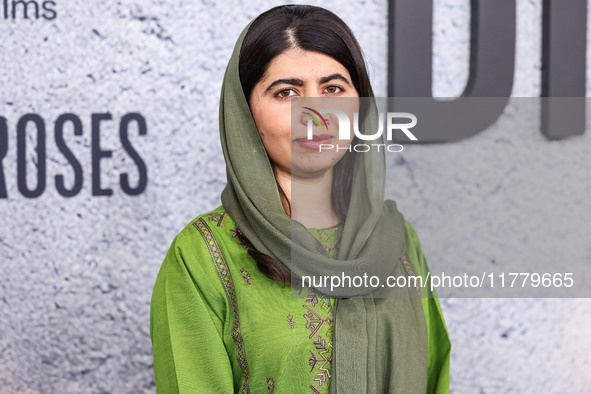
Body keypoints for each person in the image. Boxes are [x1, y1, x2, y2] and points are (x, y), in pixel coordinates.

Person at [150, 4, 450, 393]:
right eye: (286, 92)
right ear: (245, 113)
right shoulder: (202, 255)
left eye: (333, 89)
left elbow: (433, 380)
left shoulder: (397, 240)